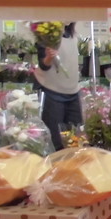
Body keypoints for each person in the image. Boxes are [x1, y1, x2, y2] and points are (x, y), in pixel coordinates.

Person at [34, 21, 82, 151]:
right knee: (55, 139)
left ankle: (72, 161)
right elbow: (44, 65)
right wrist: (49, 57)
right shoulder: (47, 35)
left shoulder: (72, 35)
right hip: (53, 91)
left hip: (72, 91)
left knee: (75, 137)